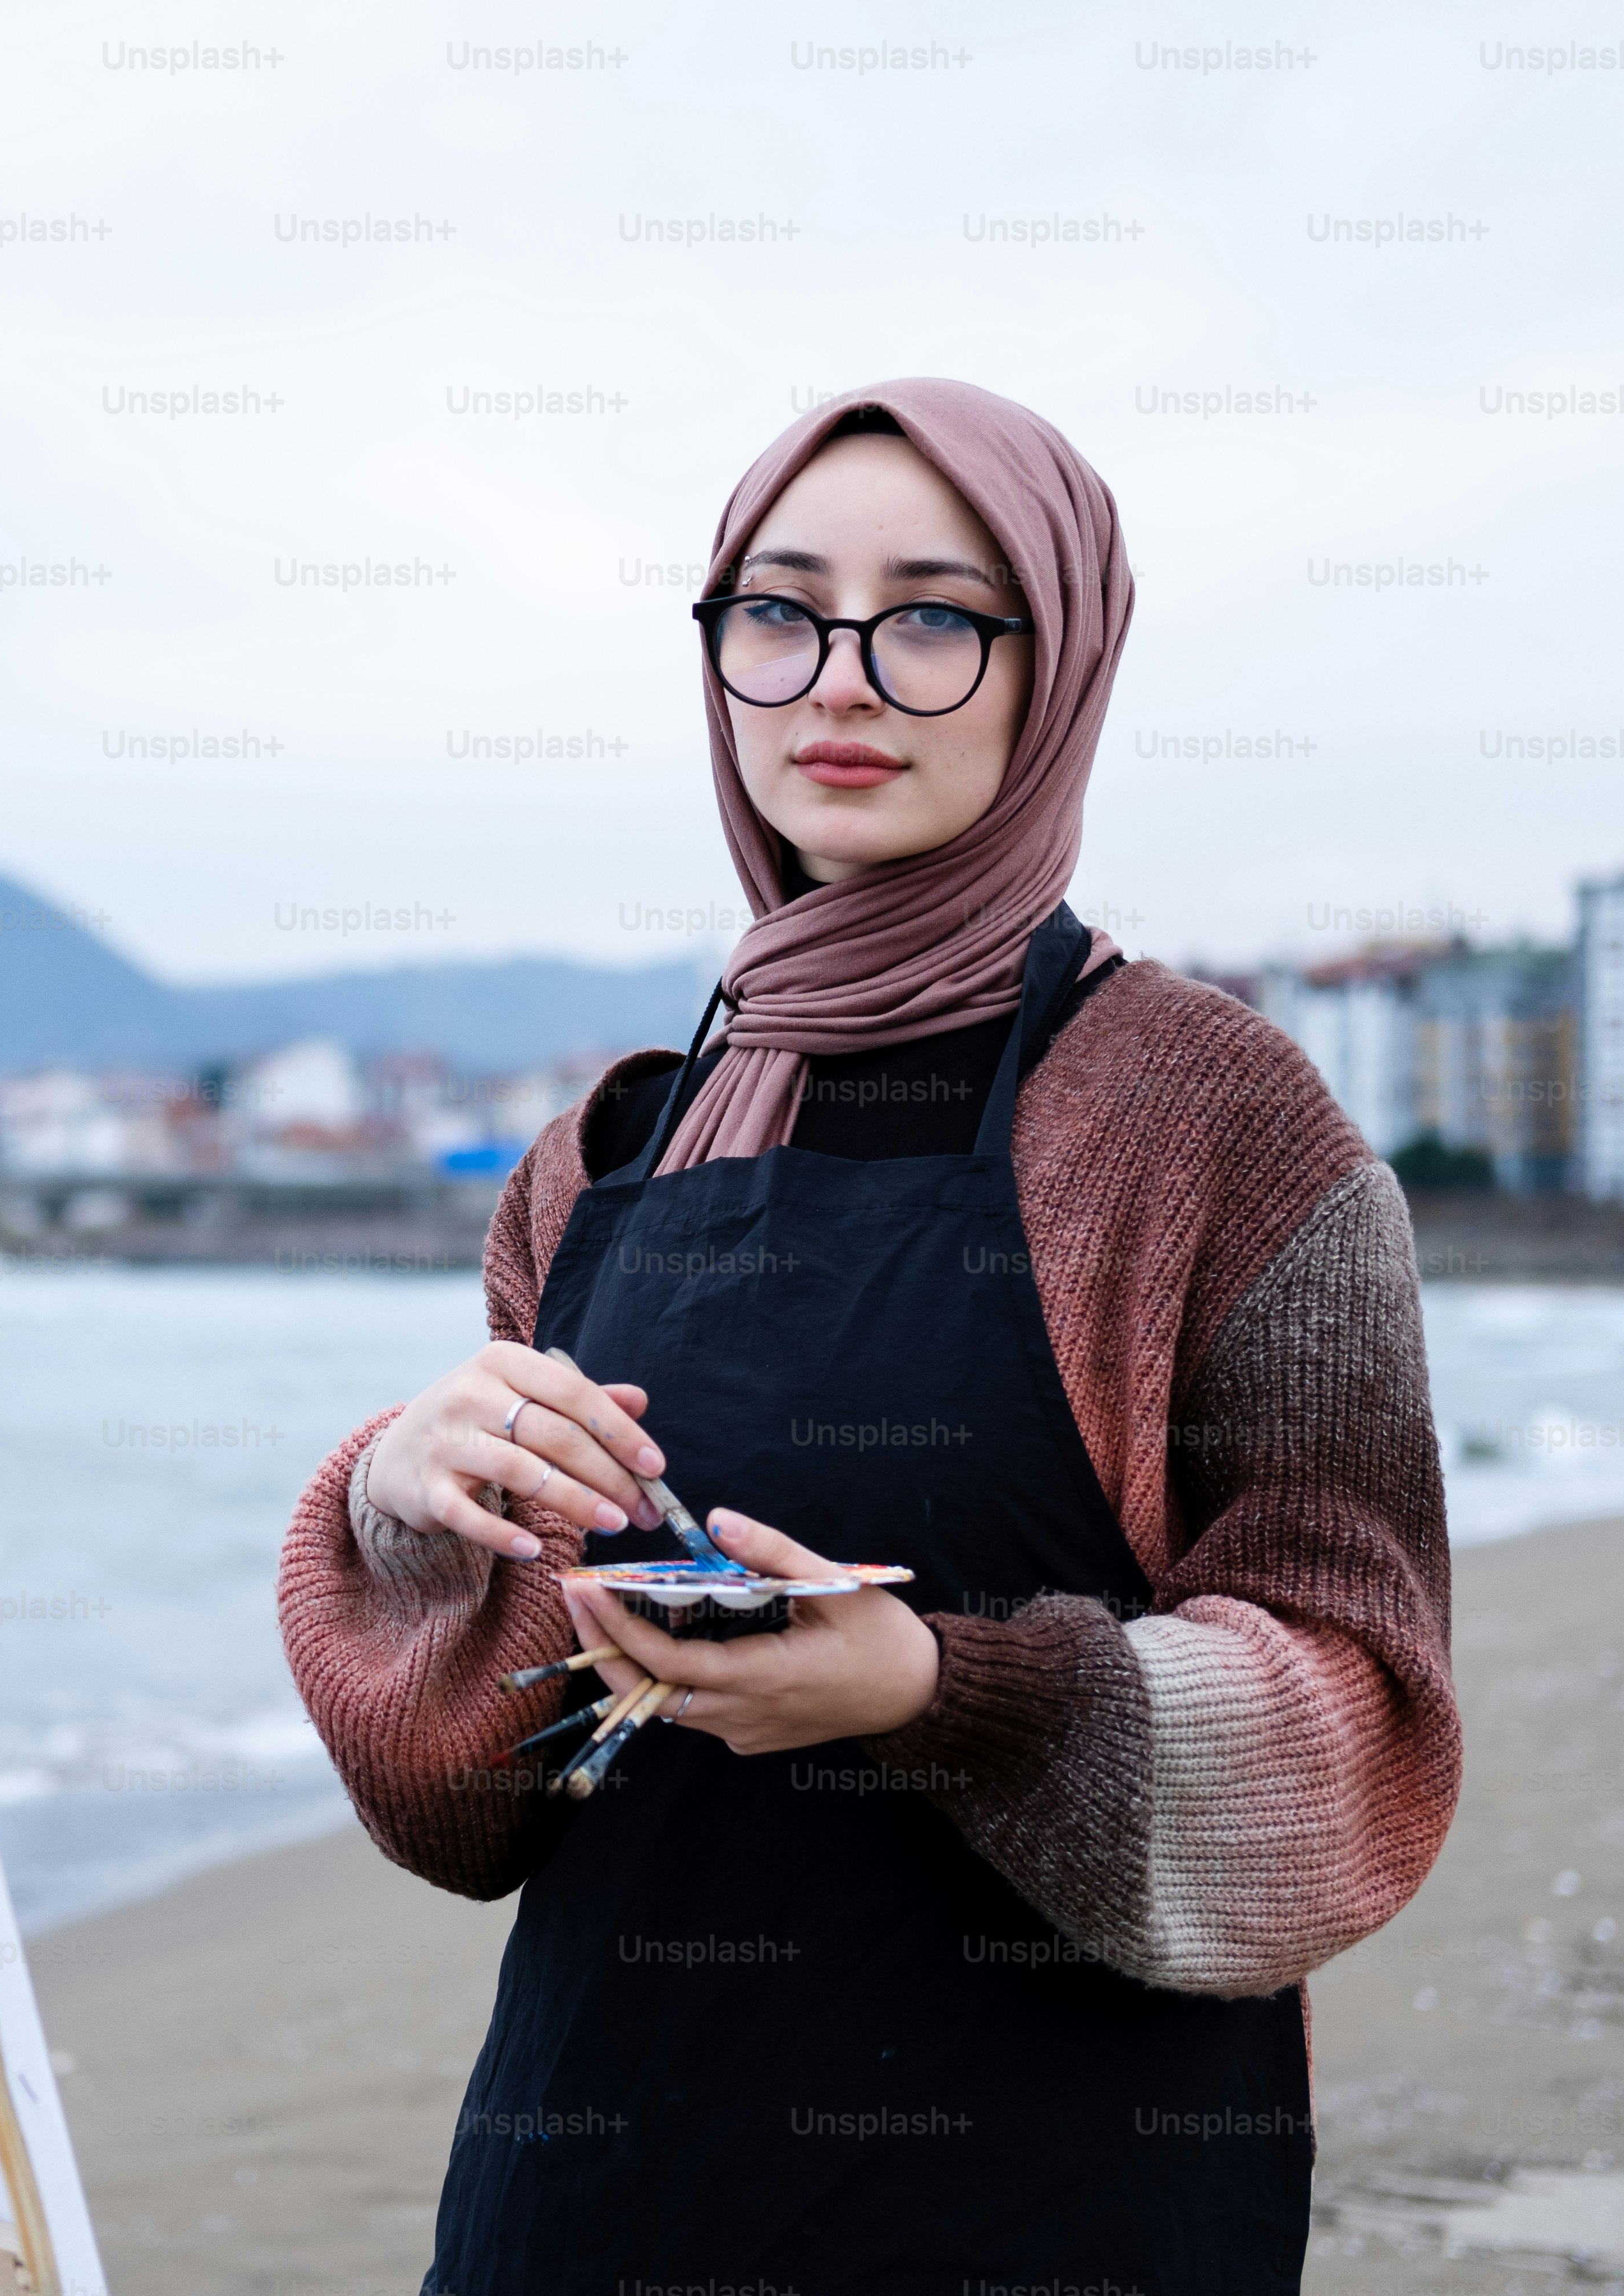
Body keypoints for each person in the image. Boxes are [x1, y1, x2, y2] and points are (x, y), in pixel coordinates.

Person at [277, 378, 1459, 2293]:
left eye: (930, 616)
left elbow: (1364, 1738)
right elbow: (470, 1813)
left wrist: (941, 1690)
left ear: (1053, 666)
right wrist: (414, 1510)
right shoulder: (601, 1152)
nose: (839, 680)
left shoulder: (1218, 1125)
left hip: (1064, 2193)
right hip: (598, 2175)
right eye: (778, 611)